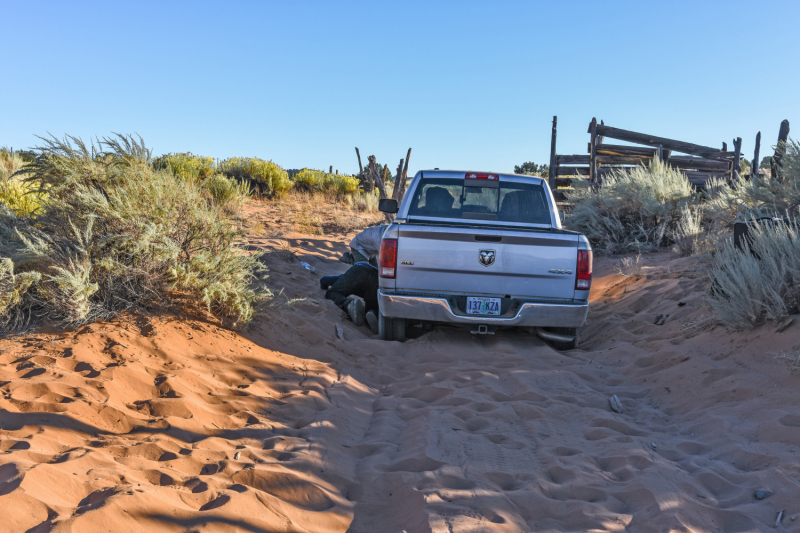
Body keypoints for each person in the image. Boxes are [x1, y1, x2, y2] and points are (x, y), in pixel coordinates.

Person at [324, 262, 379, 333]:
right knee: (373, 306)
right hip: (377, 279)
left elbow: (324, 280)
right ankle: (373, 312)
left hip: (359, 270)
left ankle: (348, 304)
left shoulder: (345, 276)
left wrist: (324, 285)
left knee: (331, 293)